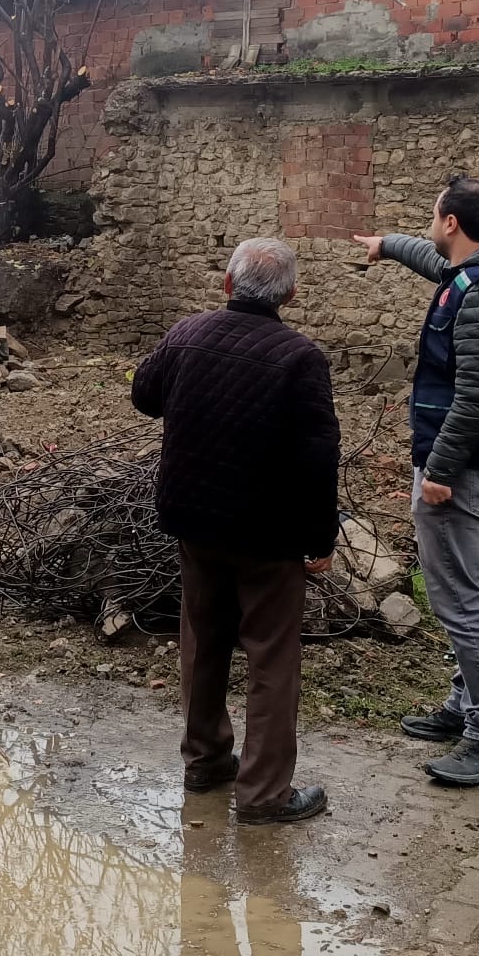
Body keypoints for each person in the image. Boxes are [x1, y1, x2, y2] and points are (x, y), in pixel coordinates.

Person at [130, 237, 340, 825]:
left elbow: (144, 395)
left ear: (227, 283)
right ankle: (264, 795)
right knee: (272, 658)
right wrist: (320, 539)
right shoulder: (301, 358)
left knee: (202, 640)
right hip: (269, 536)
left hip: (195, 520)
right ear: (291, 295)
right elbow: (320, 456)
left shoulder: (186, 333)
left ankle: (205, 762)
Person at [353, 175, 479, 786]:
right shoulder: (475, 274)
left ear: (453, 222)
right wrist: (386, 243)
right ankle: (468, 705)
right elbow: (432, 260)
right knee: (471, 592)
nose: (431, 228)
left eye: (434, 217)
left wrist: (439, 471)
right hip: (471, 468)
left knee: (461, 603)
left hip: (462, 472)